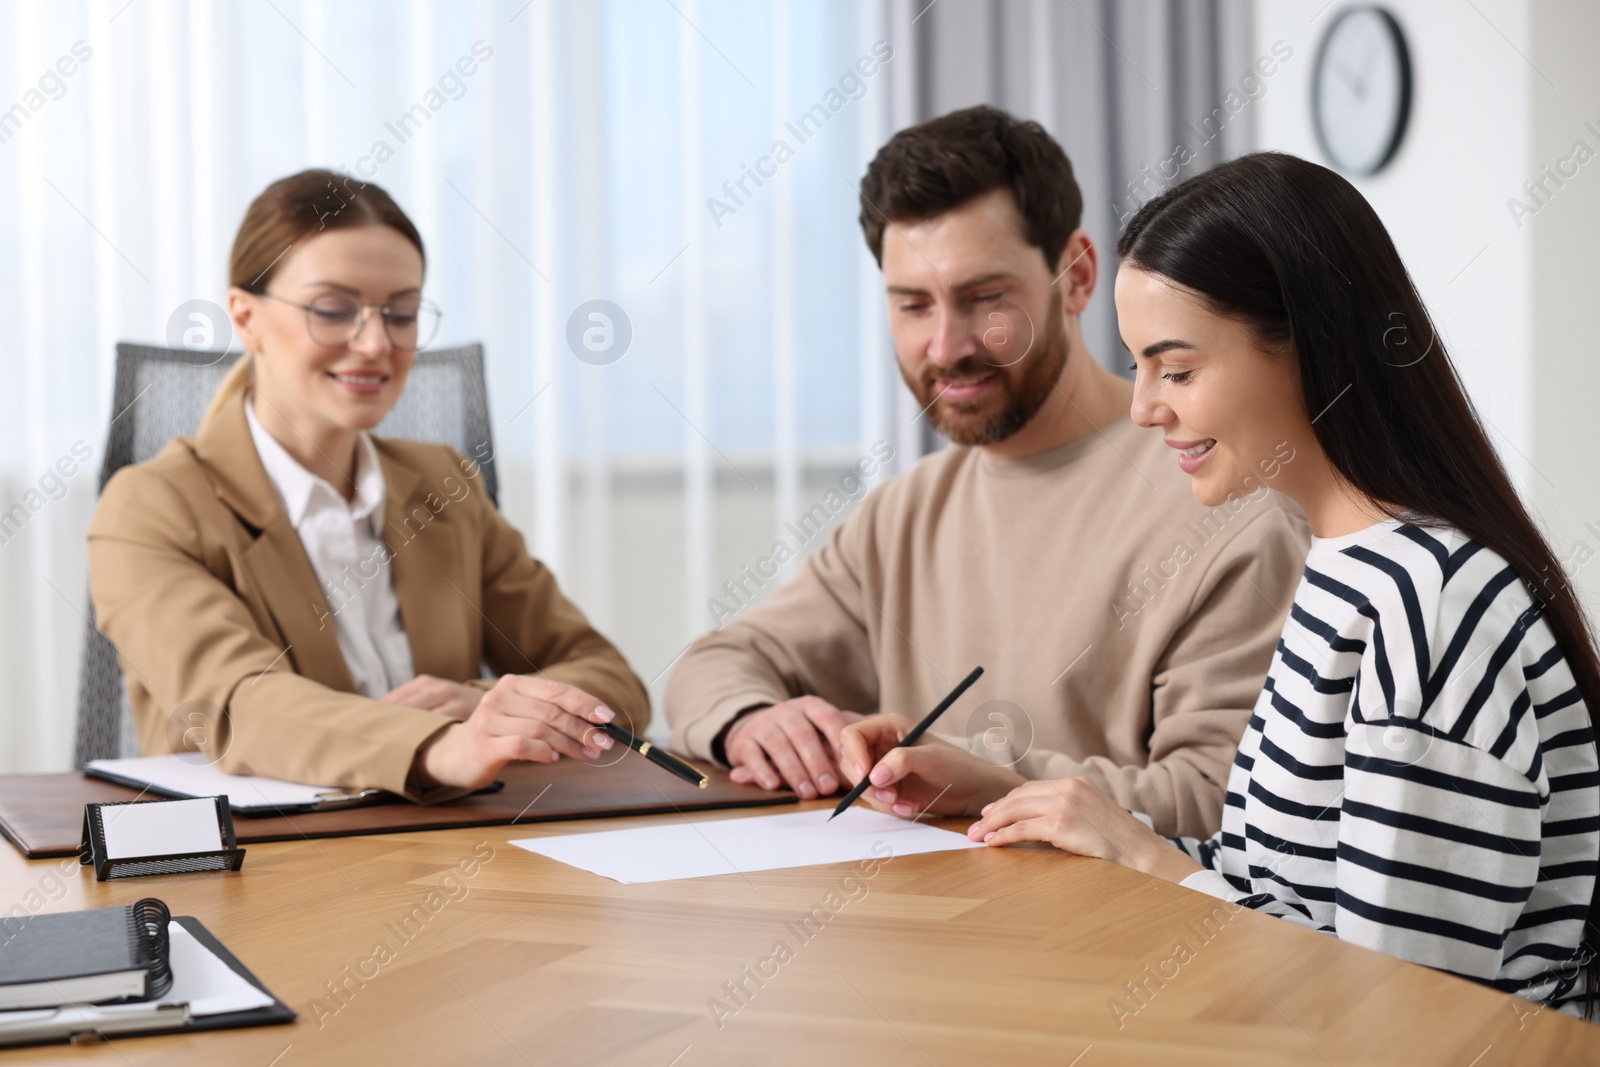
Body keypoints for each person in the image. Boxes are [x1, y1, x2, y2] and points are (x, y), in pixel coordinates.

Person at [962, 151, 1600, 1018]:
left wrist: (1153, 862)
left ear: (1310, 346)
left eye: (1177, 369)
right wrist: (1096, 822)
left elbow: (1401, 1007)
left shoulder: (1429, 608)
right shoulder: (1348, 565)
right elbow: (1287, 884)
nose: (1146, 406)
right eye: (1141, 367)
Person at [666, 106, 1310, 838]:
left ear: (1077, 276)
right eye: (913, 305)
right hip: (926, 927)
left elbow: (1219, 803)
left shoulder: (1229, 500)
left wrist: (987, 776)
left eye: (984, 300)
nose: (945, 346)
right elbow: (712, 663)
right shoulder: (904, 514)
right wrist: (754, 720)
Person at [88, 169, 648, 801]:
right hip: (267, 867)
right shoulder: (152, 506)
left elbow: (609, 680)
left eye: (402, 313)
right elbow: (234, 704)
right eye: (333, 310)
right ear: (245, 317)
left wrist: (482, 702)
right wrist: (442, 746)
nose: (377, 343)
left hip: (453, 846)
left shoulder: (444, 483)